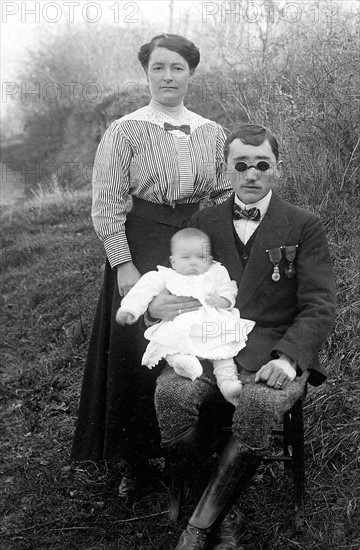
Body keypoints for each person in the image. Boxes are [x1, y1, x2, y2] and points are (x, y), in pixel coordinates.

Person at [149, 124, 336, 549]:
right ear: (227, 171)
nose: (251, 174)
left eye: (262, 165)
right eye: (241, 165)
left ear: (276, 169)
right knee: (172, 397)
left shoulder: (304, 225)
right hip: (205, 342)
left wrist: (288, 359)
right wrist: (155, 309)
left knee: (257, 402)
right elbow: (175, 282)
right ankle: (222, 511)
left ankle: (198, 529)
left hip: (271, 348)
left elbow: (320, 303)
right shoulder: (204, 222)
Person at [70, 33, 232, 497]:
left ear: (191, 74)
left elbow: (220, 194)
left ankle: (195, 446)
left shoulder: (212, 131)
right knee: (135, 342)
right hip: (140, 240)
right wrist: (122, 263)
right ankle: (136, 460)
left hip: (193, 242)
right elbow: (106, 203)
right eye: (158, 67)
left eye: (177, 68)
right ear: (146, 73)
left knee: (196, 327)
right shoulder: (125, 130)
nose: (167, 77)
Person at [116, 227, 255, 406]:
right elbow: (143, 290)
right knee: (171, 344)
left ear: (210, 259)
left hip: (210, 323)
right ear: (173, 261)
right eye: (186, 257)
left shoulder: (216, 272)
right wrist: (130, 309)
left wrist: (224, 300)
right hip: (180, 326)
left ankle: (228, 382)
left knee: (223, 347)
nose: (193, 263)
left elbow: (229, 287)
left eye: (201, 257)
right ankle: (181, 363)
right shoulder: (165, 276)